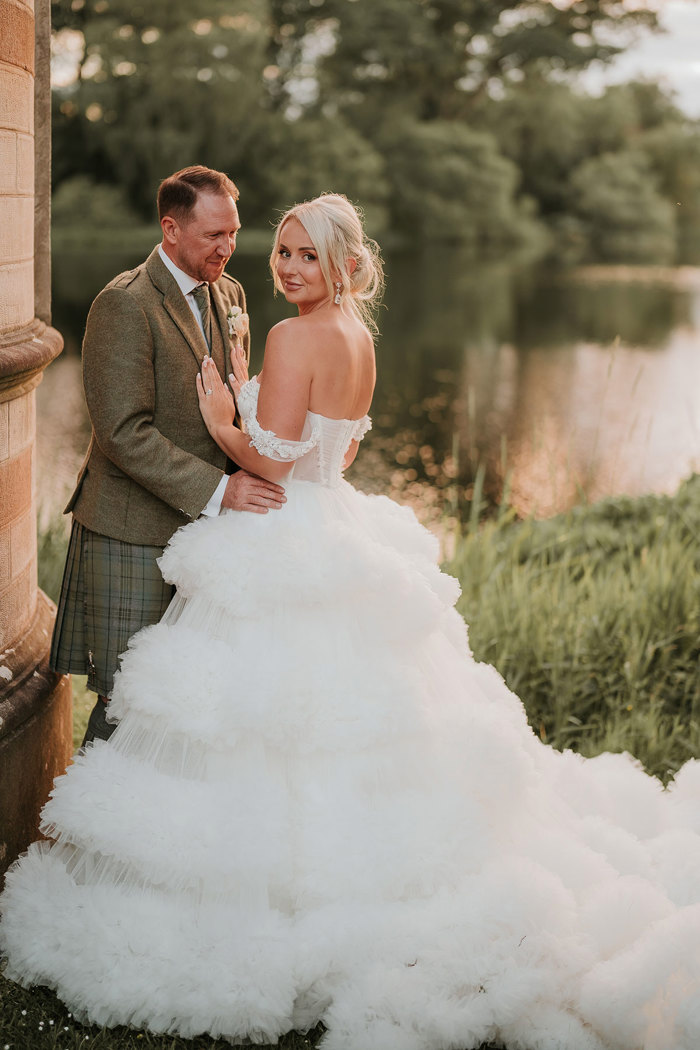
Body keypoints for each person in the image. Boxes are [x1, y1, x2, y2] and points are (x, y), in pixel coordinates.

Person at [2, 193, 700, 1050]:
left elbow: (277, 459)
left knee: (258, 721)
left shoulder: (295, 336)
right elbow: (343, 453)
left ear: (341, 263)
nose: (283, 266)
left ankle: (255, 903)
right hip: (335, 520)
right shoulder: (360, 337)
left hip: (281, 530)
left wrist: (226, 426)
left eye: (303, 255)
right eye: (281, 250)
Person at [49, 165, 285, 746]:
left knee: (190, 690)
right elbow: (122, 431)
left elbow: (231, 403)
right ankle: (80, 829)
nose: (228, 248)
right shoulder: (124, 304)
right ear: (171, 228)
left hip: (209, 540)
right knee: (127, 695)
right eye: (214, 236)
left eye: (233, 233)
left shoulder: (230, 293)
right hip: (131, 528)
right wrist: (222, 490)